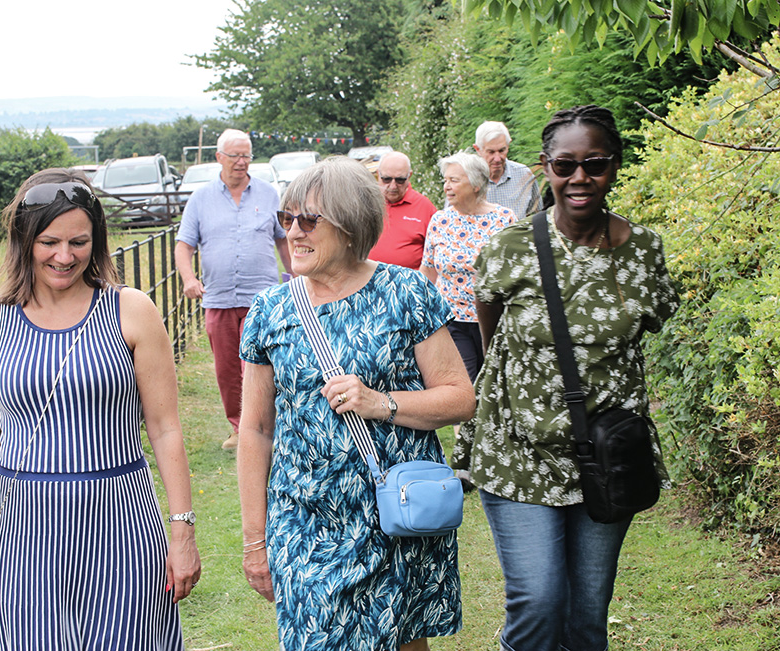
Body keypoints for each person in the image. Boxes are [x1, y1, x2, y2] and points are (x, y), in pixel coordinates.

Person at [454, 105, 680, 651]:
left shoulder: (643, 252)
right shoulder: (510, 247)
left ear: (615, 166)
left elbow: (650, 323)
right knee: (538, 600)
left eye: (595, 164)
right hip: (519, 450)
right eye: (565, 165)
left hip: (607, 453)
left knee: (587, 612)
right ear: (546, 167)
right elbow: (491, 328)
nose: (579, 178)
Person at [0, 168, 201, 649]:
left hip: (121, 526)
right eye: (48, 242)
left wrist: (182, 529)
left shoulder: (132, 311)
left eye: (78, 242)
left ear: (96, 240)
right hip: (21, 533)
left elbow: (166, 429)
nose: (64, 257)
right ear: (24, 240)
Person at [237, 157, 475, 651]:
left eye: (309, 220)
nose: (293, 233)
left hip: (395, 512)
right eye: (287, 218)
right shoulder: (269, 311)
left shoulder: (406, 293)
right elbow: (256, 429)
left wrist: (380, 402)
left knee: (403, 638)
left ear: (350, 227)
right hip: (305, 519)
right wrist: (255, 539)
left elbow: (460, 398)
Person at [175, 128, 292, 451]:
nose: (242, 163)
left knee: (260, 365)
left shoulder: (269, 194)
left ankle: (268, 426)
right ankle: (239, 428)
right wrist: (189, 279)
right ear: (219, 158)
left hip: (263, 298)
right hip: (220, 298)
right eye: (235, 156)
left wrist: (295, 275)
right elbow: (184, 246)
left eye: (247, 156)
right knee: (227, 370)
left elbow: (284, 239)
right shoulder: (200, 199)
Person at [420, 151, 518, 384]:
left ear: (476, 184)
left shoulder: (504, 219)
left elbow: (515, 274)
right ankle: (462, 423)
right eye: (445, 180)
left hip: (495, 319)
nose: (447, 186)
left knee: (495, 385)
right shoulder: (439, 221)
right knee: (465, 386)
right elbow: (428, 272)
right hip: (452, 321)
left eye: (454, 180)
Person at [368, 151, 437, 270]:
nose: (393, 186)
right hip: (369, 282)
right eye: (386, 179)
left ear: (409, 176)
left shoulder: (425, 207)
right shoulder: (367, 203)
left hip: (408, 283)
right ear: (378, 175)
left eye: (400, 180)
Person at [471, 120, 542, 220]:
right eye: (491, 152)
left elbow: (538, 217)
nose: (497, 158)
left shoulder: (524, 175)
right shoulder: (466, 179)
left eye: (501, 150)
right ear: (478, 149)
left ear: (508, 146)